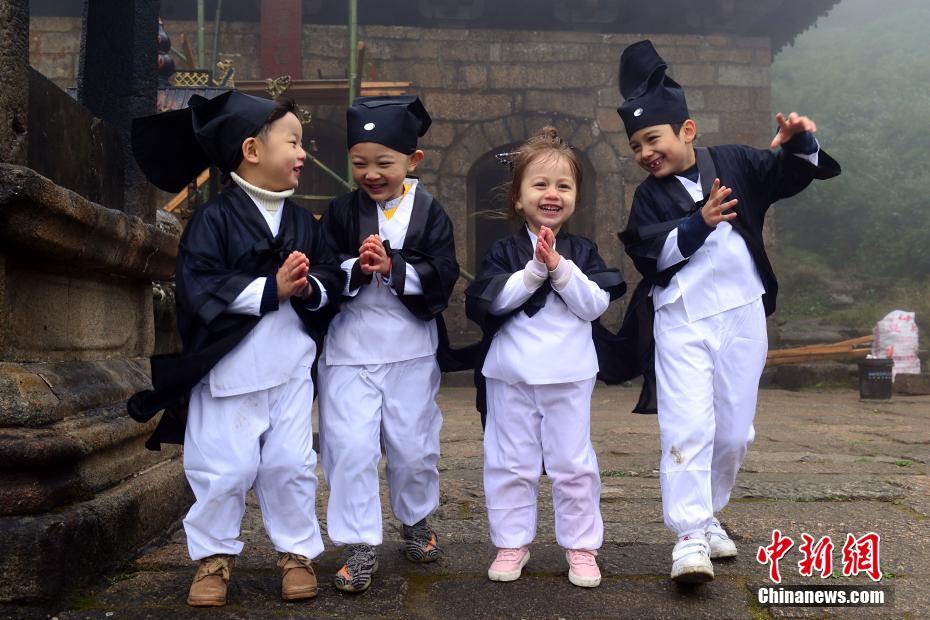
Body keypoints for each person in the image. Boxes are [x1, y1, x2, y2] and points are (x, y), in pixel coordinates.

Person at [616, 40, 841, 582]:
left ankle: (709, 513)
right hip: (682, 320)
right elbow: (648, 254)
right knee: (689, 425)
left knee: (735, 433)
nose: (645, 153)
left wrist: (801, 142)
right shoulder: (649, 196)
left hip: (742, 314)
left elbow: (788, 174)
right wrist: (699, 222)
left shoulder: (735, 161)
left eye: (653, 139)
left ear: (686, 131)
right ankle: (689, 535)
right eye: (636, 146)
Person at [127, 91, 343, 606]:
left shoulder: (301, 222)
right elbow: (199, 286)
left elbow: (330, 275)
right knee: (225, 469)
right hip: (230, 372)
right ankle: (214, 556)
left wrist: (309, 287)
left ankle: (295, 552)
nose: (303, 154)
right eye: (293, 142)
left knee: (291, 464)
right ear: (252, 149)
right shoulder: (214, 220)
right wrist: (272, 287)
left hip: (289, 369)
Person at [465, 126, 626, 588]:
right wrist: (535, 270)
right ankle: (511, 541)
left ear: (576, 196)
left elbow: (593, 305)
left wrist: (559, 268)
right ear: (518, 198)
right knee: (509, 462)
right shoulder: (503, 250)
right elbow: (493, 302)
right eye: (539, 184)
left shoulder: (582, 251)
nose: (552, 194)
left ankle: (581, 546)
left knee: (572, 464)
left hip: (569, 374)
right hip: (511, 374)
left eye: (563, 186)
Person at [318, 95, 460, 593]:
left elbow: (444, 271)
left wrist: (395, 268)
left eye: (384, 163)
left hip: (410, 350)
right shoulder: (340, 212)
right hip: (349, 351)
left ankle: (415, 518)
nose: (371, 174)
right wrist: (356, 268)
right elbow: (324, 268)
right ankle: (358, 542)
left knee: (414, 447)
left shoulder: (431, 213)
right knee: (349, 448)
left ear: (412, 160)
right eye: (360, 163)